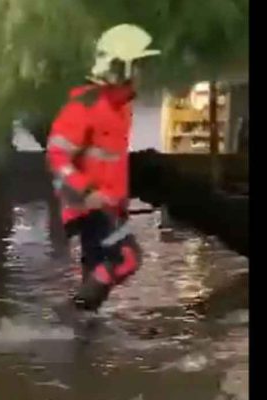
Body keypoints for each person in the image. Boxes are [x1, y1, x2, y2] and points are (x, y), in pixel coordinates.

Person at [46, 24, 160, 311]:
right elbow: (57, 156)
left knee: (98, 274)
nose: (143, 73)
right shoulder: (84, 105)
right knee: (126, 257)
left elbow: (110, 160)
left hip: (107, 206)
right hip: (89, 206)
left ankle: (78, 335)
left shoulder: (121, 107)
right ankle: (70, 313)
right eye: (140, 65)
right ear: (124, 67)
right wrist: (85, 191)